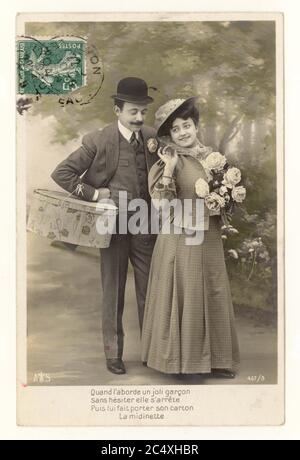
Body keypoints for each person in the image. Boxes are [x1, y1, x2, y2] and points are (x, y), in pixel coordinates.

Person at [51, 77, 158, 375]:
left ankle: (154, 352)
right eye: (133, 111)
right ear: (117, 110)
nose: (138, 118)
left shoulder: (152, 138)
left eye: (142, 112)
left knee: (151, 290)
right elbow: (62, 173)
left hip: (145, 225)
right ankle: (113, 354)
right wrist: (96, 194)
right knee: (113, 290)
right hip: (110, 227)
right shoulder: (98, 140)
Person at [141, 97, 240, 378]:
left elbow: (224, 194)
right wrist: (170, 168)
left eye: (187, 125)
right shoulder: (168, 159)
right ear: (168, 135)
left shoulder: (212, 157)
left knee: (213, 289)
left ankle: (217, 359)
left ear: (196, 126)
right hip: (180, 236)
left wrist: (224, 199)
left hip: (208, 233)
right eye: (176, 129)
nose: (183, 132)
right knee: (187, 292)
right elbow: (160, 205)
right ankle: (182, 363)